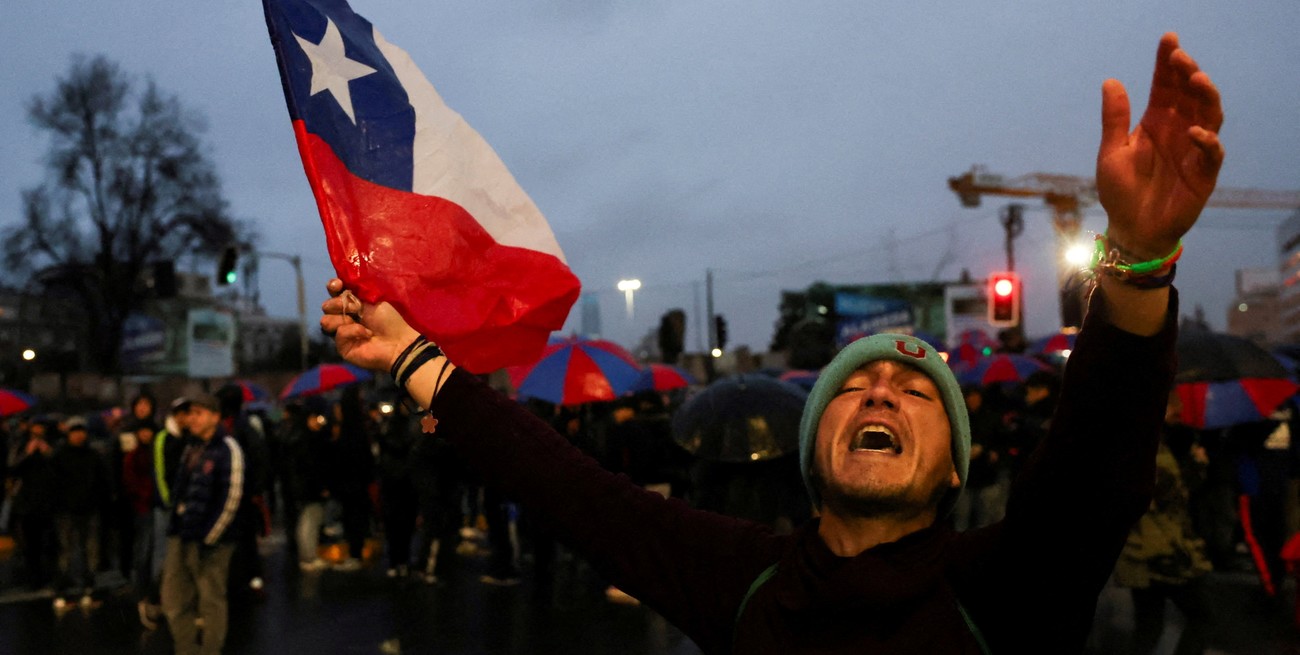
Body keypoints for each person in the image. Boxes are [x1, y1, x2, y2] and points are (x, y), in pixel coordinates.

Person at [321, 33, 1223, 653]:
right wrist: (411, 359)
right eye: (856, 386)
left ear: (957, 471)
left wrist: (1138, 262)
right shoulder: (743, 581)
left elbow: (1097, 464)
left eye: (916, 394)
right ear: (809, 449)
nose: (880, 393)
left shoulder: (1006, 592)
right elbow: (570, 489)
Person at [1113, 391, 1214, 654]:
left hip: (1138, 549)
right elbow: (1174, 497)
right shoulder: (1152, 450)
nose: (1177, 413)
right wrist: (1197, 465)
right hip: (1163, 548)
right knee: (1202, 615)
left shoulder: (1129, 443)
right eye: (1173, 407)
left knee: (1148, 623)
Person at [161, 393, 245, 655]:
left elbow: (232, 496)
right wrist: (175, 525)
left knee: (211, 601)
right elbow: (180, 490)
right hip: (183, 534)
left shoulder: (227, 448)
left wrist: (210, 536)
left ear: (215, 416)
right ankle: (186, 650)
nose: (192, 419)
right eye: (190, 414)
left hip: (212, 541)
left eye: (198, 413)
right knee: (174, 598)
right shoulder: (192, 447)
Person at [51, 416, 112, 610]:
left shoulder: (93, 455)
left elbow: (102, 482)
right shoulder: (59, 456)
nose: (78, 435)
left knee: (90, 550)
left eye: (81, 431)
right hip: (66, 511)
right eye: (74, 431)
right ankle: (61, 591)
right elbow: (52, 483)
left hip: (89, 509)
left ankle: (88, 588)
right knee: (66, 551)